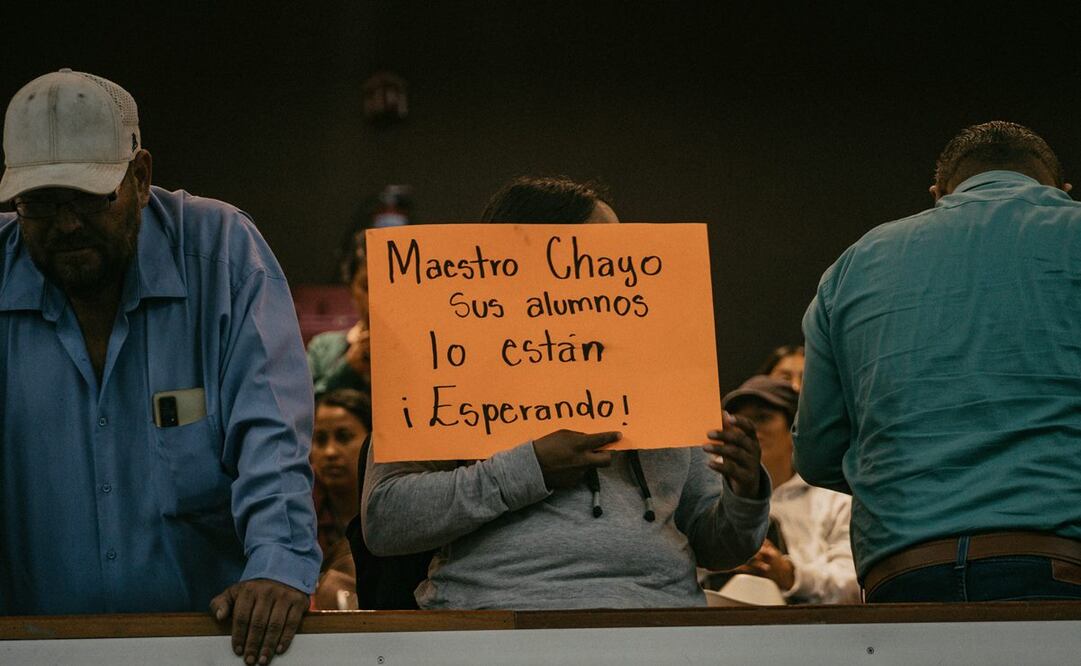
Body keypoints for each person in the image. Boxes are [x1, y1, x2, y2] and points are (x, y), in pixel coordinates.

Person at [0, 70, 319, 664]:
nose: (67, 225)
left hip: (211, 648)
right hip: (32, 651)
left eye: (90, 198)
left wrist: (278, 560)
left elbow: (271, 430)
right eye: (41, 205)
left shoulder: (223, 254)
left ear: (140, 177)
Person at [360, 176, 771, 609]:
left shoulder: (666, 373)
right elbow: (385, 519)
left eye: (622, 259)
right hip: (494, 622)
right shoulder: (448, 364)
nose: (619, 272)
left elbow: (717, 547)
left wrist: (744, 495)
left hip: (660, 620)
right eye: (599, 260)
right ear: (521, 263)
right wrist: (528, 469)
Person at [793, 121, 1081, 603]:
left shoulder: (854, 264)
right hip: (1062, 562)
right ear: (1062, 191)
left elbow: (817, 452)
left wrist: (907, 475)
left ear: (938, 194)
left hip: (903, 574)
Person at [720, 376, 858, 604]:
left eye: (762, 418)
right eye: (737, 420)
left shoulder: (834, 499)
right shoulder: (713, 498)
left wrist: (788, 574)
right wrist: (717, 562)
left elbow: (853, 583)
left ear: (794, 429)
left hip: (811, 631)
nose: (749, 429)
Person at [310, 389, 371, 610]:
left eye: (344, 437)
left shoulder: (392, 512)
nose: (329, 452)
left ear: (372, 441)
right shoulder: (300, 512)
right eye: (320, 440)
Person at [306, 229, 371, 398]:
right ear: (351, 288)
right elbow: (301, 412)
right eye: (367, 286)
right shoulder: (323, 348)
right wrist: (348, 368)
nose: (377, 297)